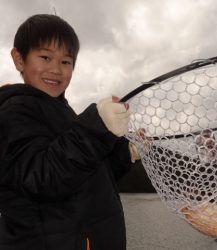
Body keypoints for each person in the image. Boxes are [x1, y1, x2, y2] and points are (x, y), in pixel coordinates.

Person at [0, 14, 137, 250]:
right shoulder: (15, 110)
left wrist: (125, 153)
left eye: (66, 62)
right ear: (19, 59)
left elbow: (88, 179)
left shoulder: (64, 114)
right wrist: (95, 128)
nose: (56, 69)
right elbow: (40, 178)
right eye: (45, 57)